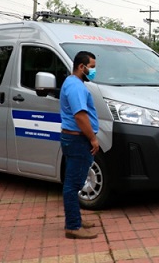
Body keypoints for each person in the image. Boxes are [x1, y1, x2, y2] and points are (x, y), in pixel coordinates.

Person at [60, 51, 100, 240]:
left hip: (73, 139)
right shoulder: (76, 87)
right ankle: (73, 226)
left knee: (74, 182)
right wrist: (92, 138)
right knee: (73, 184)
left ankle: (75, 219)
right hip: (77, 140)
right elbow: (80, 116)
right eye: (91, 67)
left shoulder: (73, 83)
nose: (93, 70)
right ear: (81, 67)